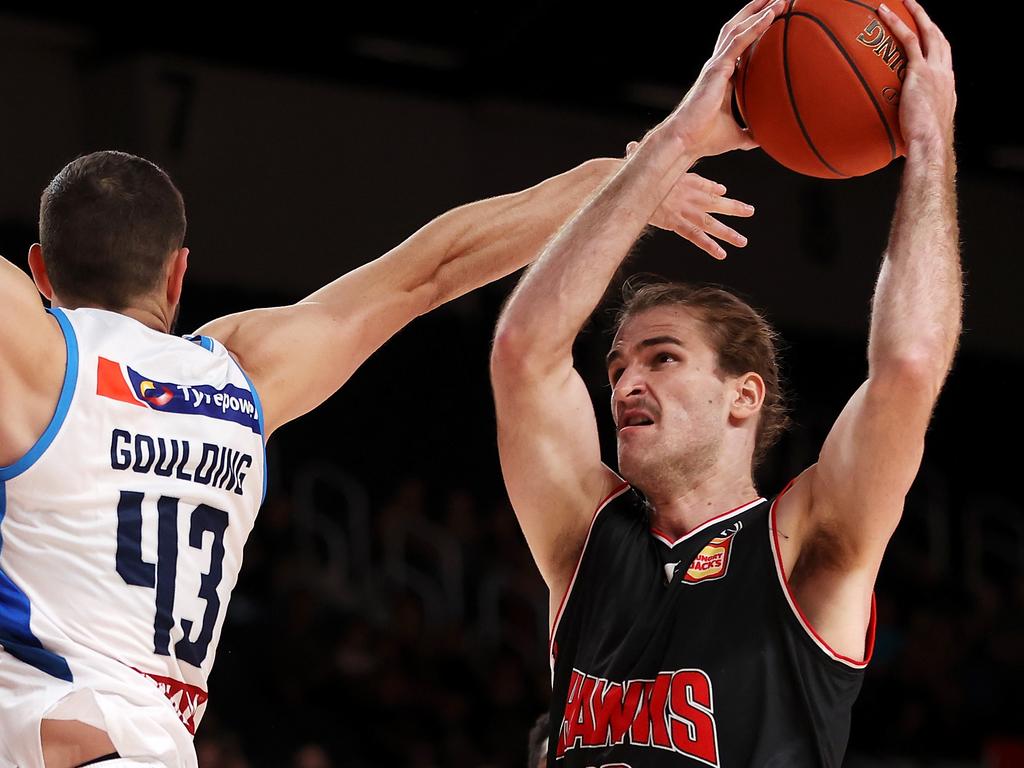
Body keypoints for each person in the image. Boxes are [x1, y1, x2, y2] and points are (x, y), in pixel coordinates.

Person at [0, 134, 752, 765]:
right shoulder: (240, 376)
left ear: (40, 272)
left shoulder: (39, 357)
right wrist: (623, 180)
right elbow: (434, 268)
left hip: (55, 736)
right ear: (178, 272)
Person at [489, 0, 959, 764]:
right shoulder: (588, 542)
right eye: (616, 367)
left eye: (662, 358)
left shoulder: (802, 543)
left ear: (745, 395)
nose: (625, 383)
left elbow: (908, 367)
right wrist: (676, 141)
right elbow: (524, 350)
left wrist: (931, 144)